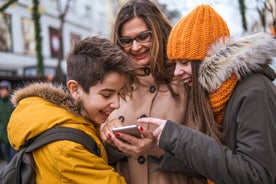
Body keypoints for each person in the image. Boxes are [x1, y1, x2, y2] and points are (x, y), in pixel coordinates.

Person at [136, 4, 276, 184]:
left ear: (209, 60)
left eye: (184, 62)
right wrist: (158, 149)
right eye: (175, 63)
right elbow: (218, 166)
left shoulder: (254, 92)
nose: (176, 72)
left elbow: (256, 175)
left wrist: (180, 137)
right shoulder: (218, 94)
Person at [7, 36, 138, 183]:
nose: (117, 104)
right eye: (106, 95)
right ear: (75, 89)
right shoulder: (67, 148)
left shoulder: (64, 120)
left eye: (119, 93)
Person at [101, 0, 205, 184]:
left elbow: (210, 158)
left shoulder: (184, 82)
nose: (135, 47)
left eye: (143, 37)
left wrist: (156, 150)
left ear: (159, 33)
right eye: (126, 41)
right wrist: (105, 133)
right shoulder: (114, 88)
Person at [0, 80, 16, 163]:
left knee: (13, 162)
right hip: (3, 138)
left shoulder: (13, 103)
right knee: (7, 162)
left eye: (3, 89)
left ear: (9, 90)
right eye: (0, 89)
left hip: (13, 139)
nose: (1, 91)